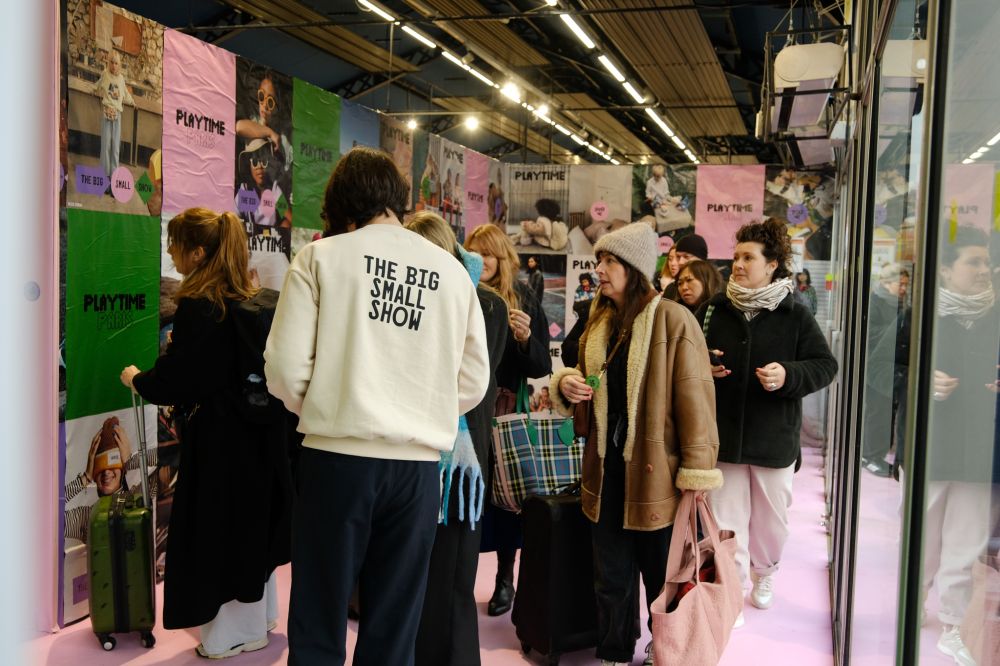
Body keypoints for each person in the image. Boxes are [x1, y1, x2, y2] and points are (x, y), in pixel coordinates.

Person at [264, 147, 490, 665]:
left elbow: (282, 369)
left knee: (320, 615)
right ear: (398, 201)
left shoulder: (321, 258)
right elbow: (474, 377)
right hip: (415, 469)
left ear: (342, 205)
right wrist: (422, 407)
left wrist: (328, 407)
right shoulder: (450, 271)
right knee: (394, 624)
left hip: (335, 459)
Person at [119, 207, 294, 659]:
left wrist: (138, 379)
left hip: (221, 444)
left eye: (175, 244)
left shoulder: (203, 307)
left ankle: (235, 634)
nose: (171, 252)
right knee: (249, 531)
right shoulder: (248, 299)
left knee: (218, 535)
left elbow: (179, 379)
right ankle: (261, 618)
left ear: (197, 252)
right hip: (258, 439)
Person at [550, 222, 722, 666]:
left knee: (660, 578)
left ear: (634, 268)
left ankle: (663, 651)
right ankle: (612, 652)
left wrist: (696, 474)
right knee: (609, 577)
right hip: (605, 473)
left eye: (609, 261)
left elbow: (696, 402)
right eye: (599, 260)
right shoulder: (598, 319)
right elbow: (585, 377)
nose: (599, 269)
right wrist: (566, 384)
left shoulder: (673, 319)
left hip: (656, 477)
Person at [697, 217, 837, 614]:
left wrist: (788, 374)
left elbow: (825, 365)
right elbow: (689, 357)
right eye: (736, 256)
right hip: (724, 438)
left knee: (772, 523)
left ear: (772, 264)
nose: (738, 264)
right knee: (727, 521)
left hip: (775, 439)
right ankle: (732, 591)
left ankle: (766, 571)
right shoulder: (715, 310)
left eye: (748, 257)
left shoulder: (795, 314)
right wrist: (704, 367)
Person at [405, 212, 508, 666]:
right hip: (417, 453)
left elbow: (478, 382)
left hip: (458, 462)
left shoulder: (485, 304)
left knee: (451, 577)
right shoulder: (412, 296)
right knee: (414, 576)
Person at [918, 226, 997, 665]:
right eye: (973, 262)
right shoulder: (923, 315)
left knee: (966, 543)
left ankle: (953, 622)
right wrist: (920, 383)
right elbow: (878, 369)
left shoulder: (999, 316)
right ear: (946, 269)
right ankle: (915, 603)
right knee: (923, 537)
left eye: (985, 262)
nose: (983, 270)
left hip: (980, 449)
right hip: (931, 449)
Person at [464, 223, 552, 617]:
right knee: (464, 493)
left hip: (502, 412)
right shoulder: (458, 291)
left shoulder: (522, 297)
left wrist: (522, 338)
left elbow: (540, 366)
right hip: (463, 408)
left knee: (505, 498)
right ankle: (459, 577)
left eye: (490, 254)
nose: (482, 261)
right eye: (475, 252)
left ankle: (504, 578)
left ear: (503, 259)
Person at [862, 262, 910, 477]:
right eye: (900, 284)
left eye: (906, 285)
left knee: (888, 412)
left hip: (894, 366)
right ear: (885, 283)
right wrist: (895, 329)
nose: (903, 289)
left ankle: (878, 454)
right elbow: (867, 332)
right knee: (878, 412)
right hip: (875, 366)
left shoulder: (901, 305)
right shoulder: (874, 302)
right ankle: (870, 456)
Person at [94, 51, 134, 187]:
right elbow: (98, 85)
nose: (113, 65)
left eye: (116, 63)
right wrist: (92, 89)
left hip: (117, 115)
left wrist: (133, 102)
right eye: (111, 62)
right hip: (106, 114)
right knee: (106, 146)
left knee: (115, 148)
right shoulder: (105, 75)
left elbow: (126, 94)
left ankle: (114, 179)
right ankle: (104, 178)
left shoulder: (121, 79)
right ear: (108, 62)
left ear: (119, 65)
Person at [662, 233, 708, 300]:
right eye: (678, 257)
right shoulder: (671, 289)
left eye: (686, 257)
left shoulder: (718, 287)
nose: (680, 262)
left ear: (700, 259)